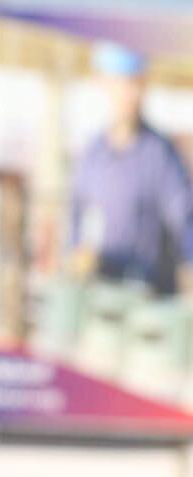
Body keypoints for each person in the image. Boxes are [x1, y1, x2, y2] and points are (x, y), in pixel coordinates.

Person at [69, 42, 193, 297]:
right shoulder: (92, 157)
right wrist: (78, 255)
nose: (131, 93)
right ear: (103, 83)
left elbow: (185, 220)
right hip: (100, 301)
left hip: (149, 305)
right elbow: (76, 226)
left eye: (137, 83)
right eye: (123, 83)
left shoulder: (161, 156)